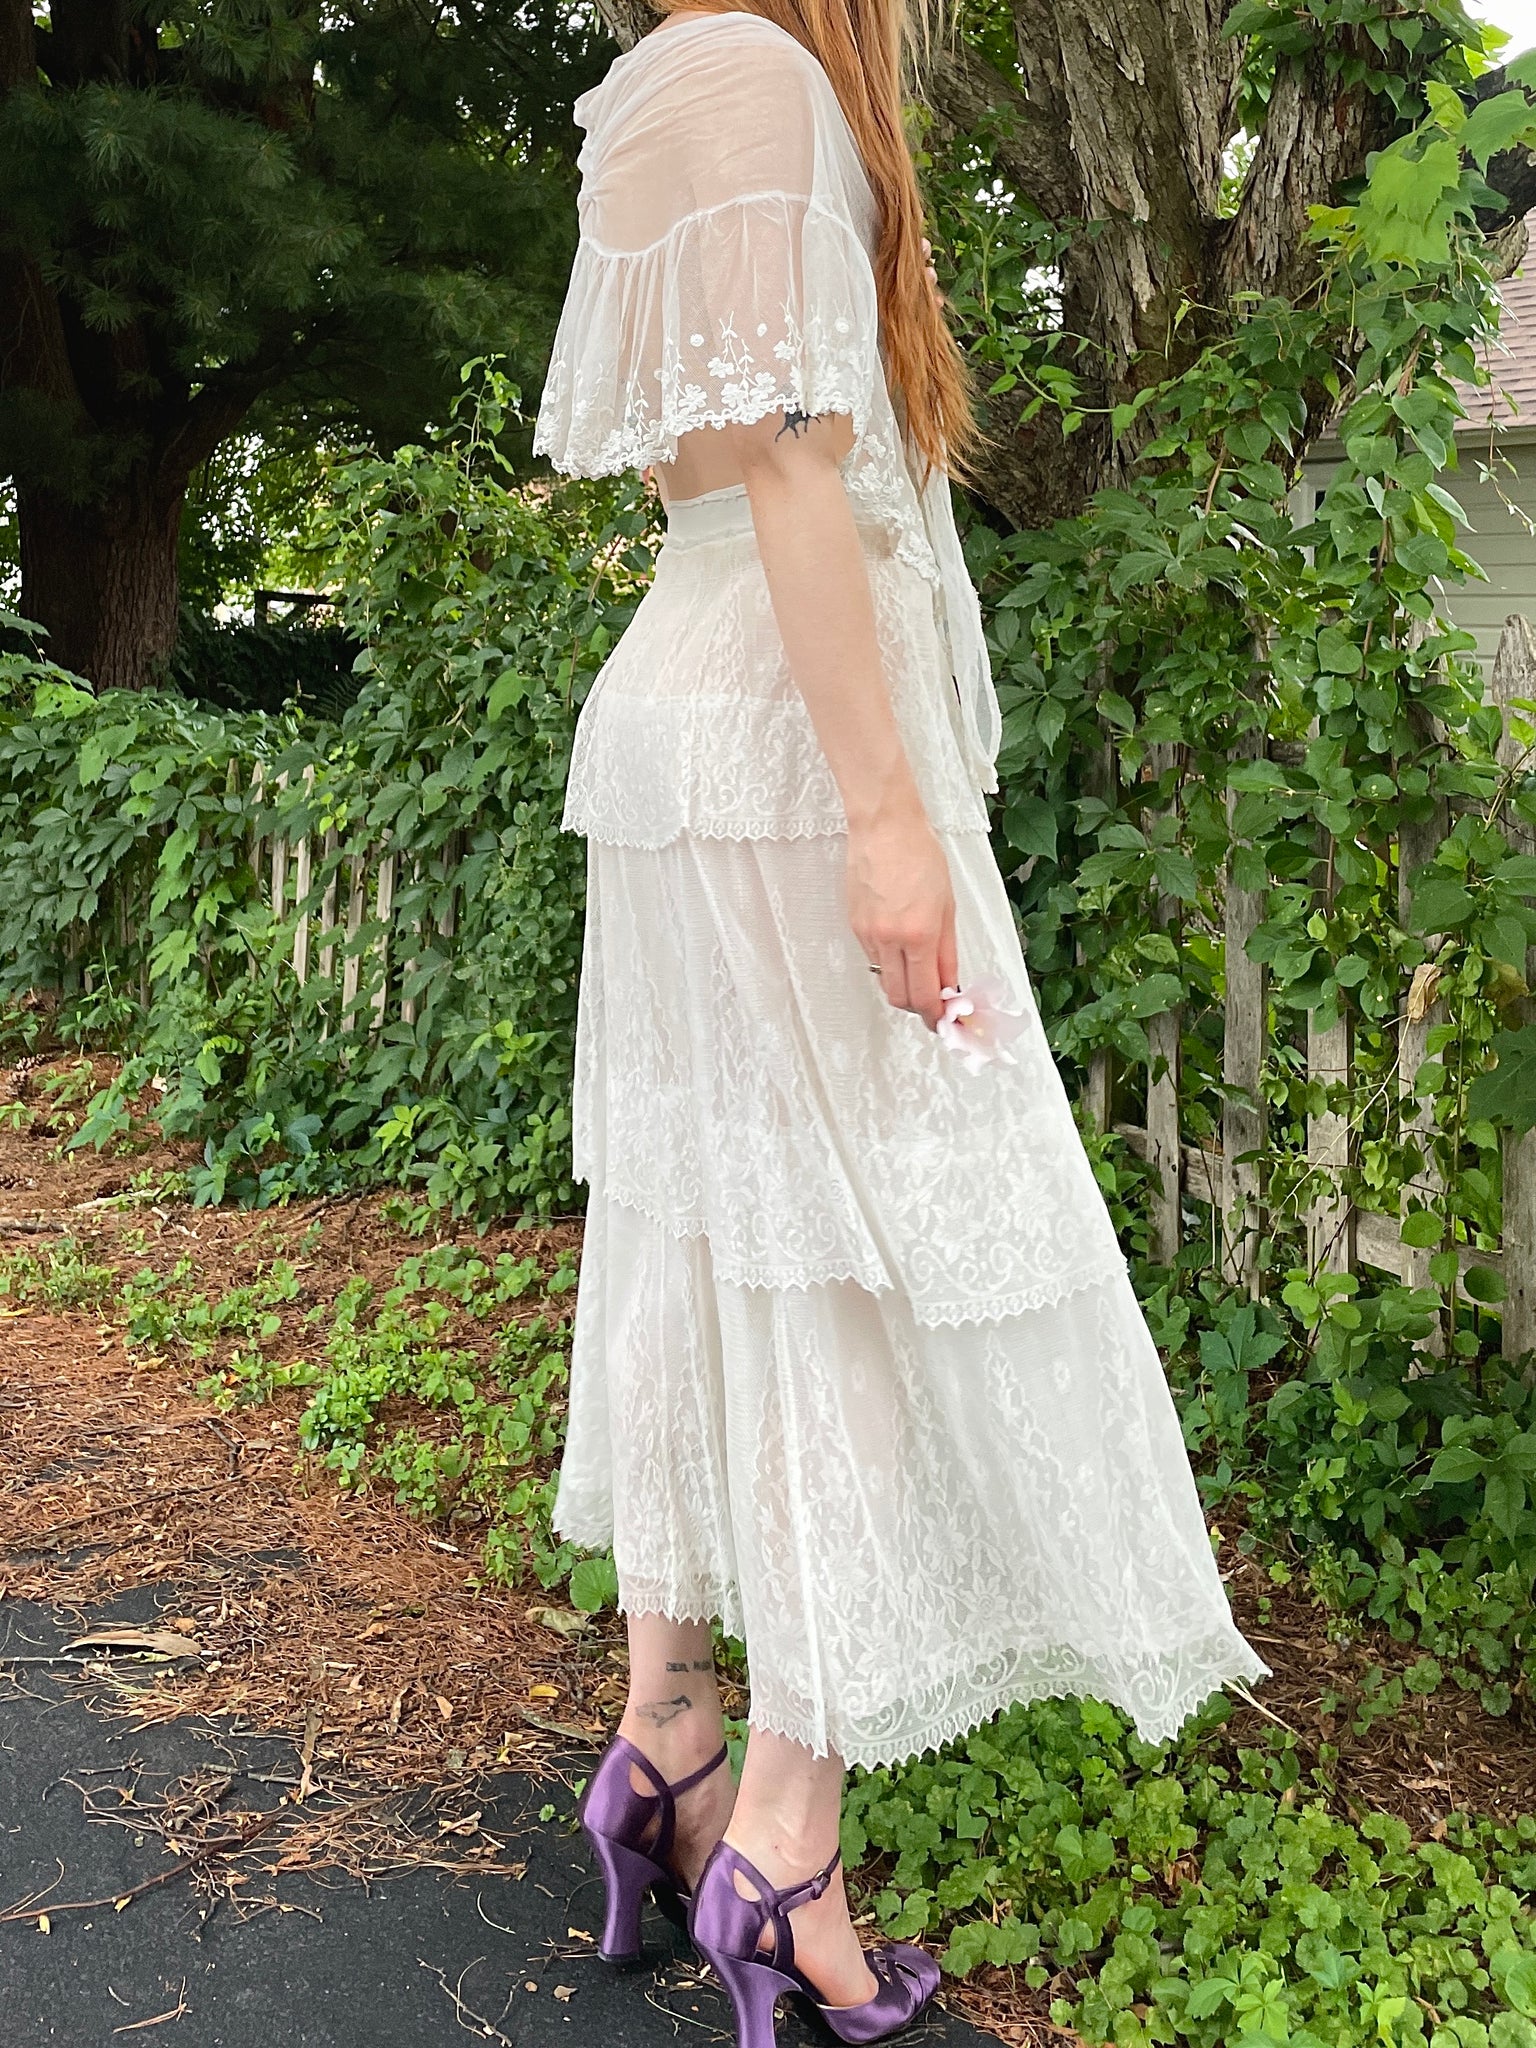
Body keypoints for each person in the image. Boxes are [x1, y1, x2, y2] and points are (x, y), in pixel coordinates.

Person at [532, 3, 1268, 2040]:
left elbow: (702, 446)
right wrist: (883, 816)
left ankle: (667, 1744)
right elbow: (774, 454)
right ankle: (783, 1840)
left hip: (698, 721)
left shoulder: (670, 87)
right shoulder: (758, 74)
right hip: (783, 750)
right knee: (878, 1258)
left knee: (716, 1228)